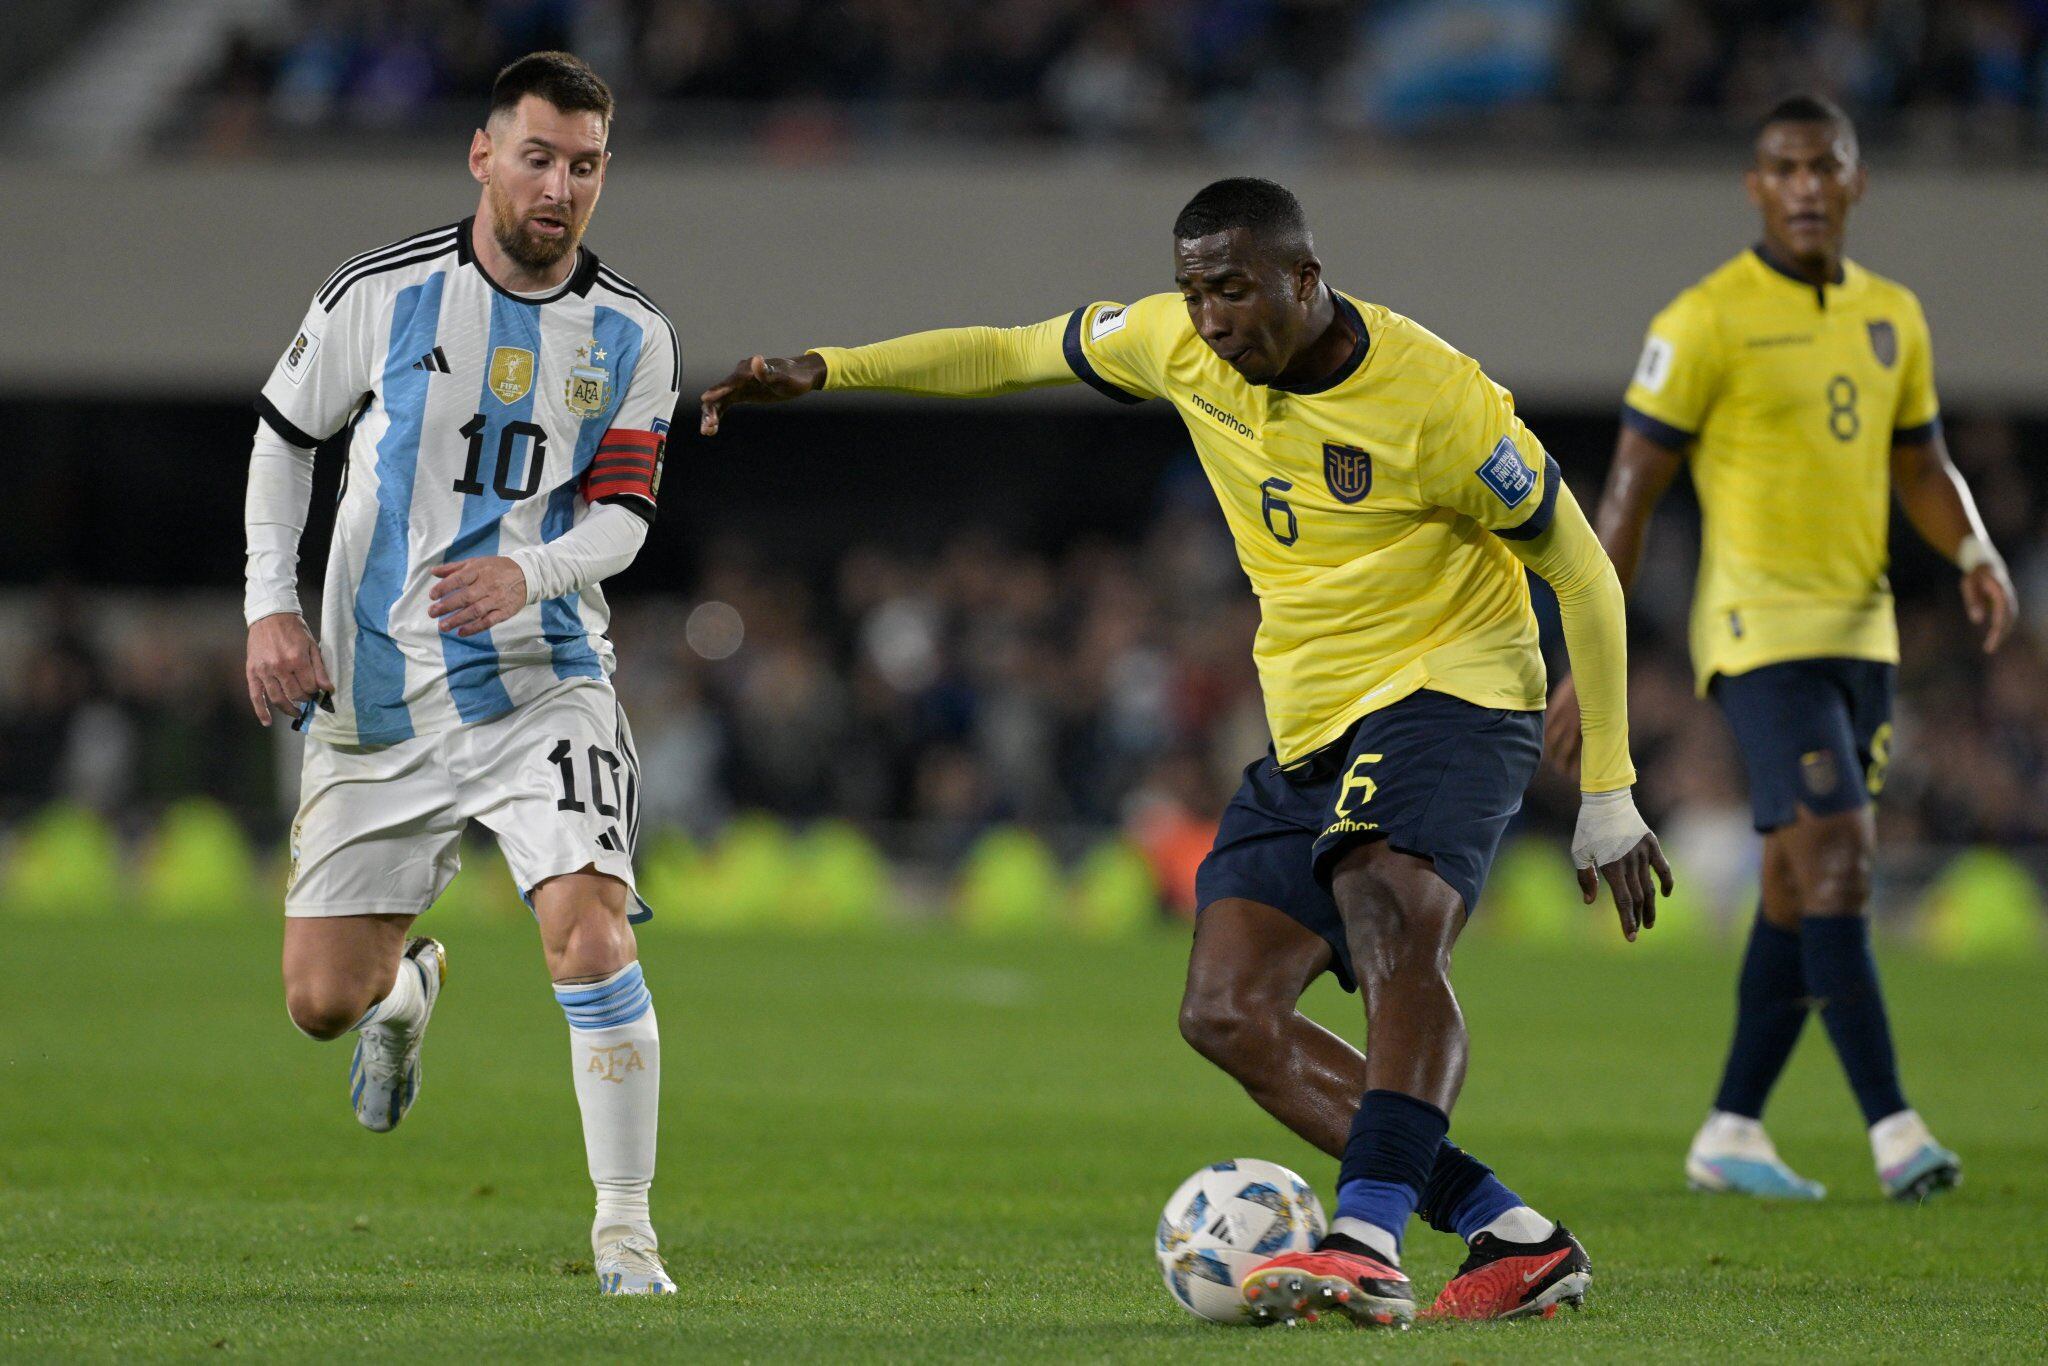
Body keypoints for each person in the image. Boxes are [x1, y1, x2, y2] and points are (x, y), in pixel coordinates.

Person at [699, 177, 1671, 1325]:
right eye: (1194, 291)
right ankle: (1508, 1232)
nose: (1210, 317)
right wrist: (830, 368)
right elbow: (1012, 353)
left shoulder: (1436, 400)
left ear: (1304, 281)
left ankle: (1361, 1236)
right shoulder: (1179, 346)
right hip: (1312, 719)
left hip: (1451, 689)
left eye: (1235, 290)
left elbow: (1583, 570)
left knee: (1388, 910)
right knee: (1226, 1009)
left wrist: (1606, 785)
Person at [241, 51, 681, 1293]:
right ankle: (402, 996)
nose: (559, 187)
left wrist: (531, 574)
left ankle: (624, 1231)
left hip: (543, 676)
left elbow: (625, 519)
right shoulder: (381, 295)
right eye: (537, 156)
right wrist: (271, 610)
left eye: (584, 166)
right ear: (483, 155)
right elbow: (283, 443)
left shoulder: (631, 333)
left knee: (588, 936)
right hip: (377, 690)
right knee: (321, 999)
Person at [1548, 95, 2016, 1203]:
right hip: (1756, 635)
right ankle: (1895, 1130)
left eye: (1823, 167)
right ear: (1754, 188)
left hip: (1864, 635)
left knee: (1797, 888)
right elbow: (1627, 493)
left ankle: (1729, 1129)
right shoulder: (1702, 320)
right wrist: (1589, 642)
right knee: (1843, 857)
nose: (1804, 185)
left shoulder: (1891, 316)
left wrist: (1976, 549)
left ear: (1854, 183)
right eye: (1782, 168)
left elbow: (1919, 464)